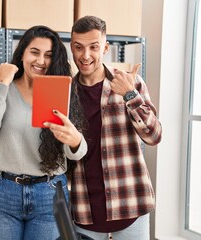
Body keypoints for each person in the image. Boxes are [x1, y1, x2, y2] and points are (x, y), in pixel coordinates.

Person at [0, 25, 88, 240]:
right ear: (23, 53)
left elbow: (76, 152)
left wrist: (74, 140)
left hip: (50, 194)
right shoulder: (1, 88)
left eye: (48, 55)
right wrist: (3, 82)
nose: (41, 61)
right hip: (0, 192)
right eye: (35, 52)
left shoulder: (63, 93)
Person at [68, 15, 162, 240]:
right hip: (85, 208)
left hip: (130, 203)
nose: (86, 55)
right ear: (71, 48)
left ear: (106, 48)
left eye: (94, 47)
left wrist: (131, 95)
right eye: (78, 47)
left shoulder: (131, 82)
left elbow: (154, 135)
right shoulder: (67, 92)